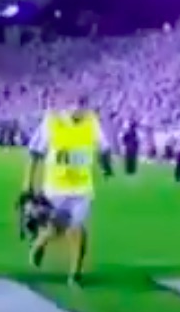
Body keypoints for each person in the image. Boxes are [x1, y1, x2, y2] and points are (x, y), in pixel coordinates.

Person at [24, 97, 113, 286]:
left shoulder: (91, 121)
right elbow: (34, 152)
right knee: (56, 228)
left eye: (81, 105)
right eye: (73, 104)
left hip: (81, 189)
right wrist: (27, 184)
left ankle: (75, 273)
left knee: (77, 227)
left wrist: (106, 167)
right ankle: (40, 242)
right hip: (55, 188)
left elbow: (104, 148)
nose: (77, 109)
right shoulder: (52, 121)